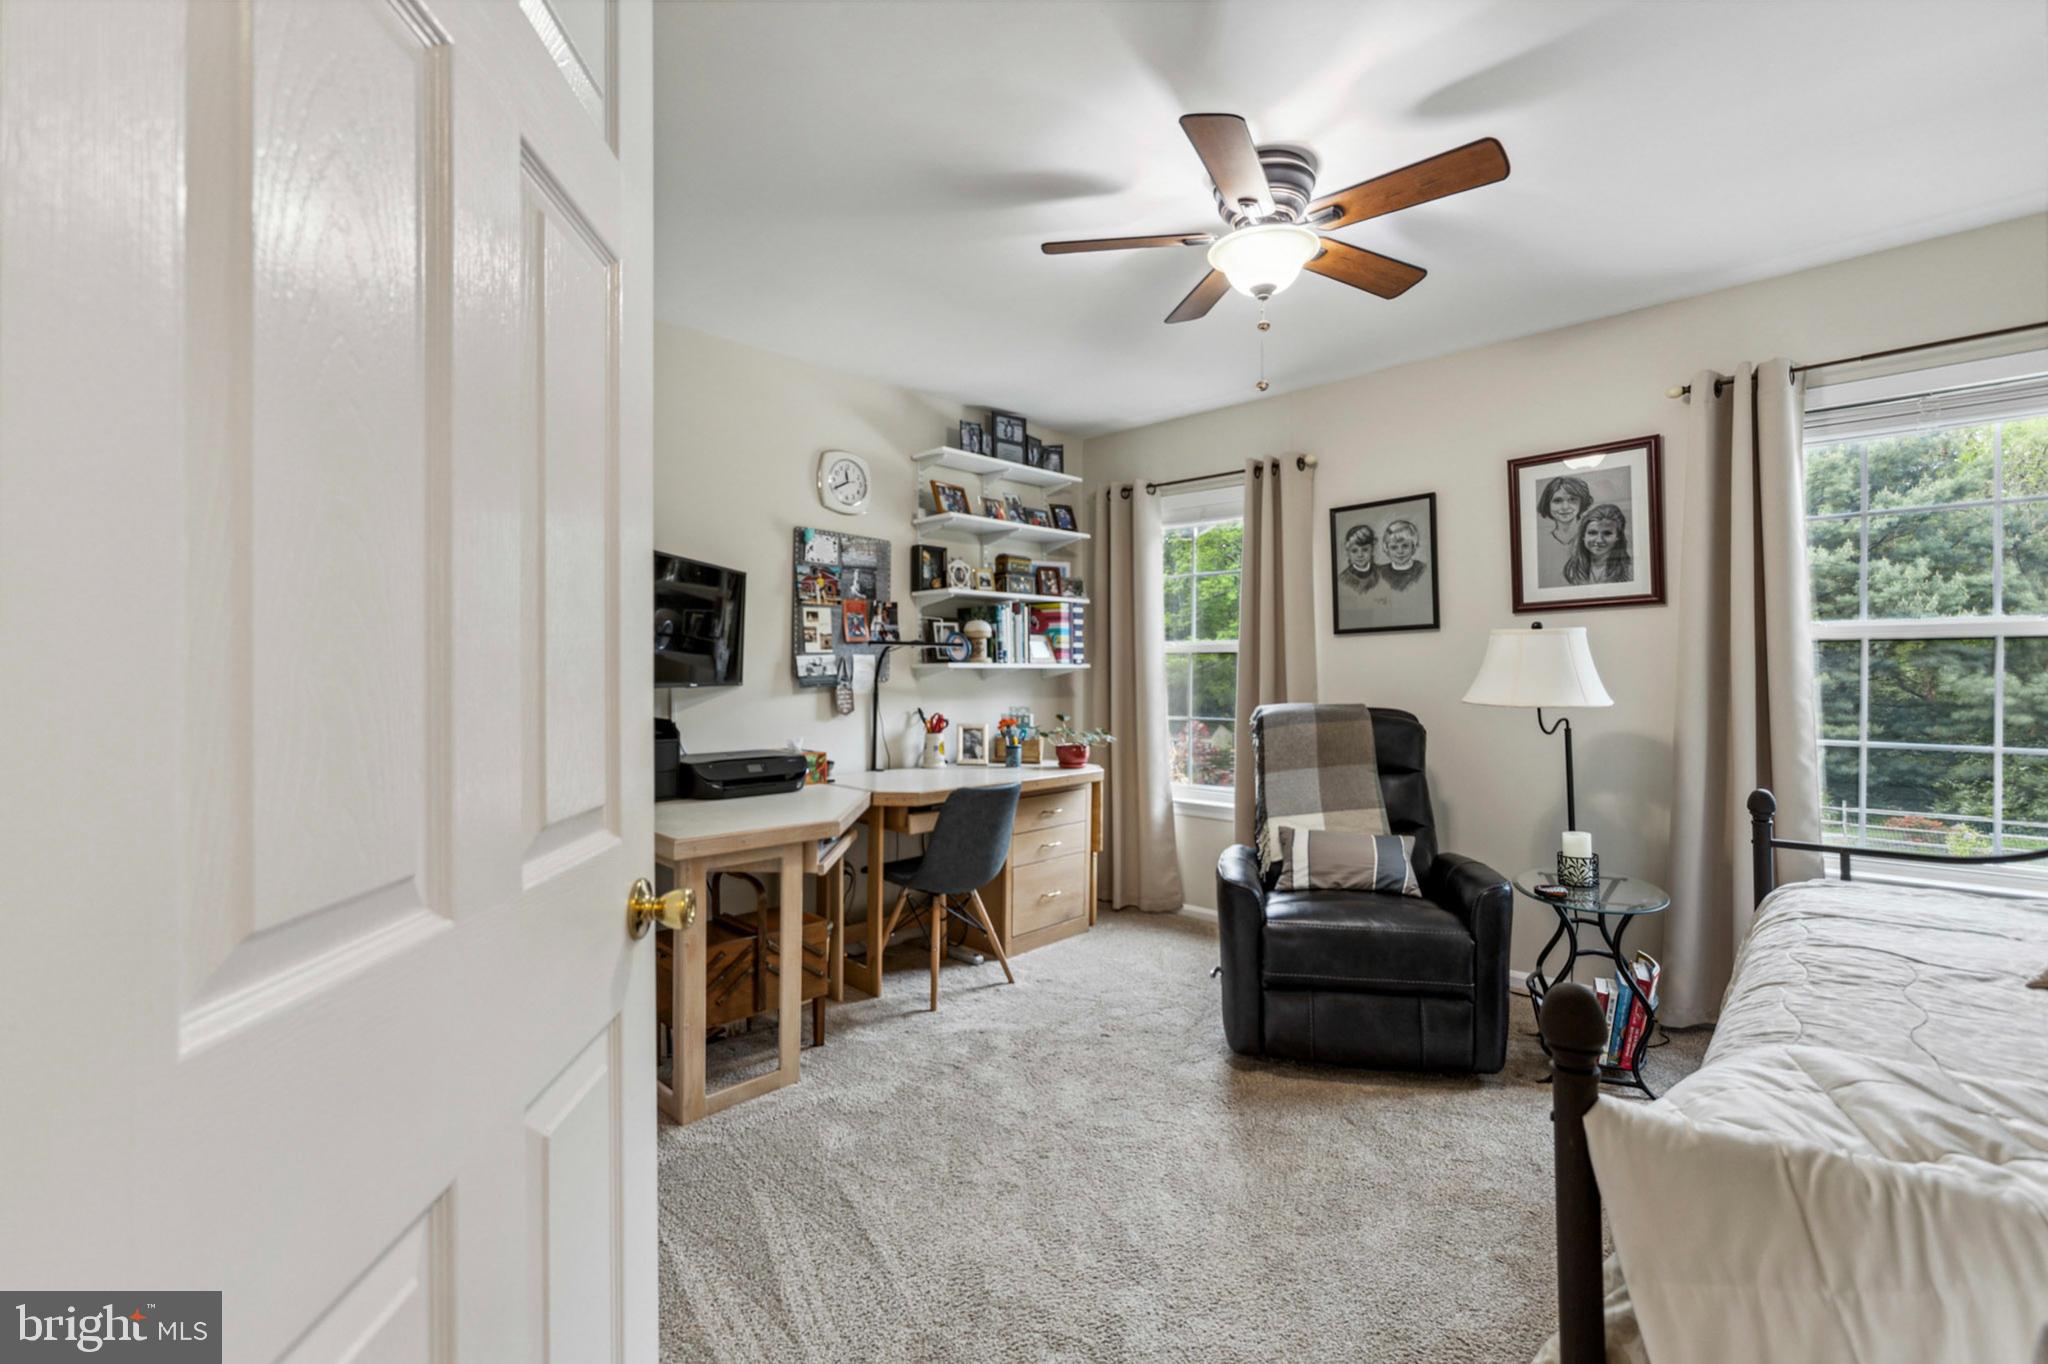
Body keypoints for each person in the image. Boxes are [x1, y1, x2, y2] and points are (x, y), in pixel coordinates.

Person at [1536, 475, 1593, 587]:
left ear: (1582, 502)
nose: (1565, 507)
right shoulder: (1540, 542)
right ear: (1548, 504)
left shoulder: (1593, 538)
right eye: (1557, 501)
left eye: (1572, 499)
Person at [1563, 503, 1633, 585]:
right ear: (1583, 535)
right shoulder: (1571, 571)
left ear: (1618, 537)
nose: (1599, 540)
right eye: (1592, 533)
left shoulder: (1630, 571)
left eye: (1607, 533)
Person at [1380, 519, 1427, 592]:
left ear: (1413, 547)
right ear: (1386, 549)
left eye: (1405, 546)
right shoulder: (1380, 572)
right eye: (1394, 547)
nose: (1400, 551)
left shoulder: (1422, 569)